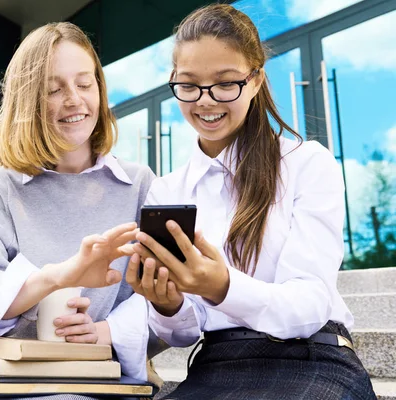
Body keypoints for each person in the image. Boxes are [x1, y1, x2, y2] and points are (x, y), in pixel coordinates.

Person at [125, 4, 377, 399]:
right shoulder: (167, 192)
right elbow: (182, 333)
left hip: (314, 359)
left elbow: (310, 305)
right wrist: (167, 305)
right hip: (217, 365)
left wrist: (223, 285)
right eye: (189, 85)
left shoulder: (306, 163)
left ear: (256, 80)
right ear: (173, 81)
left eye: (226, 83)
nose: (206, 101)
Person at [0, 22, 156, 399]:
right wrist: (58, 277)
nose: (74, 99)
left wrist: (105, 332)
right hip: (15, 388)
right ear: (27, 102)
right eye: (54, 90)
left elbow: (166, 299)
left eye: (84, 83)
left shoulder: (139, 185)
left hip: (110, 385)